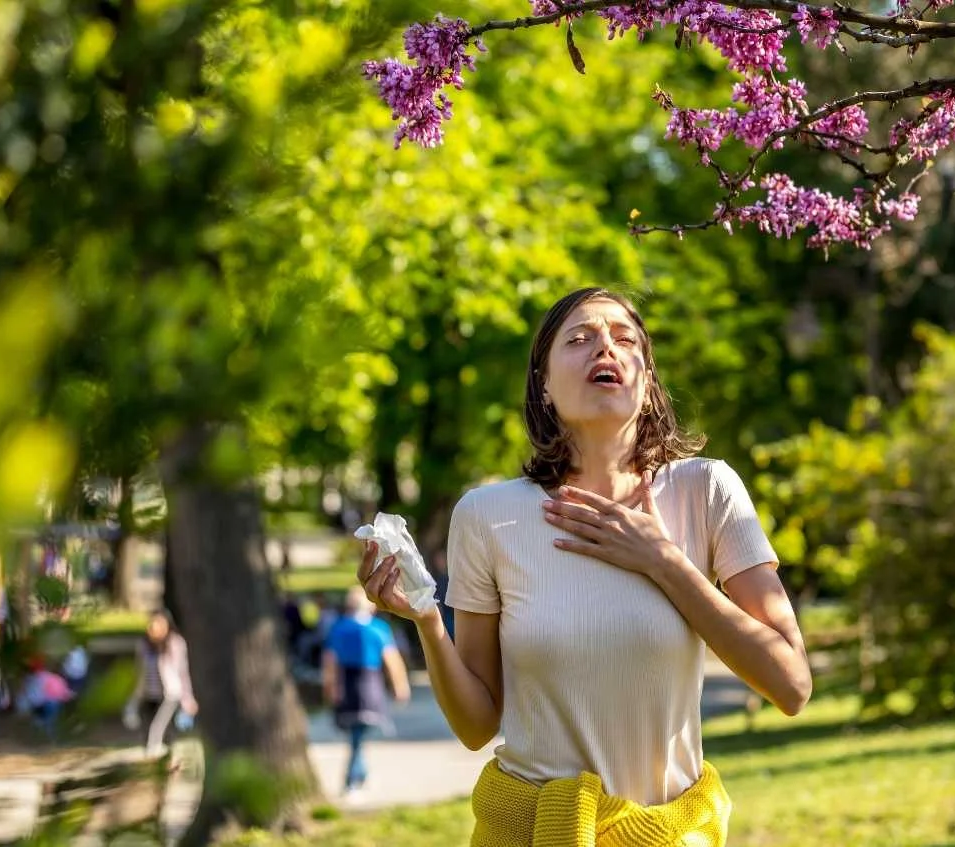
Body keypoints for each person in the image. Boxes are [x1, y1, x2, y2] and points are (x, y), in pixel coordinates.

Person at [358, 288, 813, 845]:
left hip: (666, 831)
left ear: (646, 384)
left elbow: (791, 686)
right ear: (544, 386)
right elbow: (477, 725)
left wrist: (663, 561)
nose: (605, 347)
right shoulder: (486, 515)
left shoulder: (707, 490)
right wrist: (427, 619)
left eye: (625, 339)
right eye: (580, 338)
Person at [321, 586, 412, 797]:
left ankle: (357, 775)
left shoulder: (338, 628)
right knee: (358, 734)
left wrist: (330, 687)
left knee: (356, 733)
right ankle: (355, 776)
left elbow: (330, 662)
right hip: (369, 683)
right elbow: (392, 660)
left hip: (347, 683)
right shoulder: (379, 628)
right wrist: (400, 685)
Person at [124, 610, 198, 758]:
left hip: (170, 694)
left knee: (157, 727)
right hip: (149, 693)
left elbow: (182, 672)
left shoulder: (175, 643)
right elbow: (139, 671)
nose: (153, 627)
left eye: (158, 624)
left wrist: (187, 697)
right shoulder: (143, 645)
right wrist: (134, 697)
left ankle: (152, 755)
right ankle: (167, 759)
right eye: (151, 624)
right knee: (152, 728)